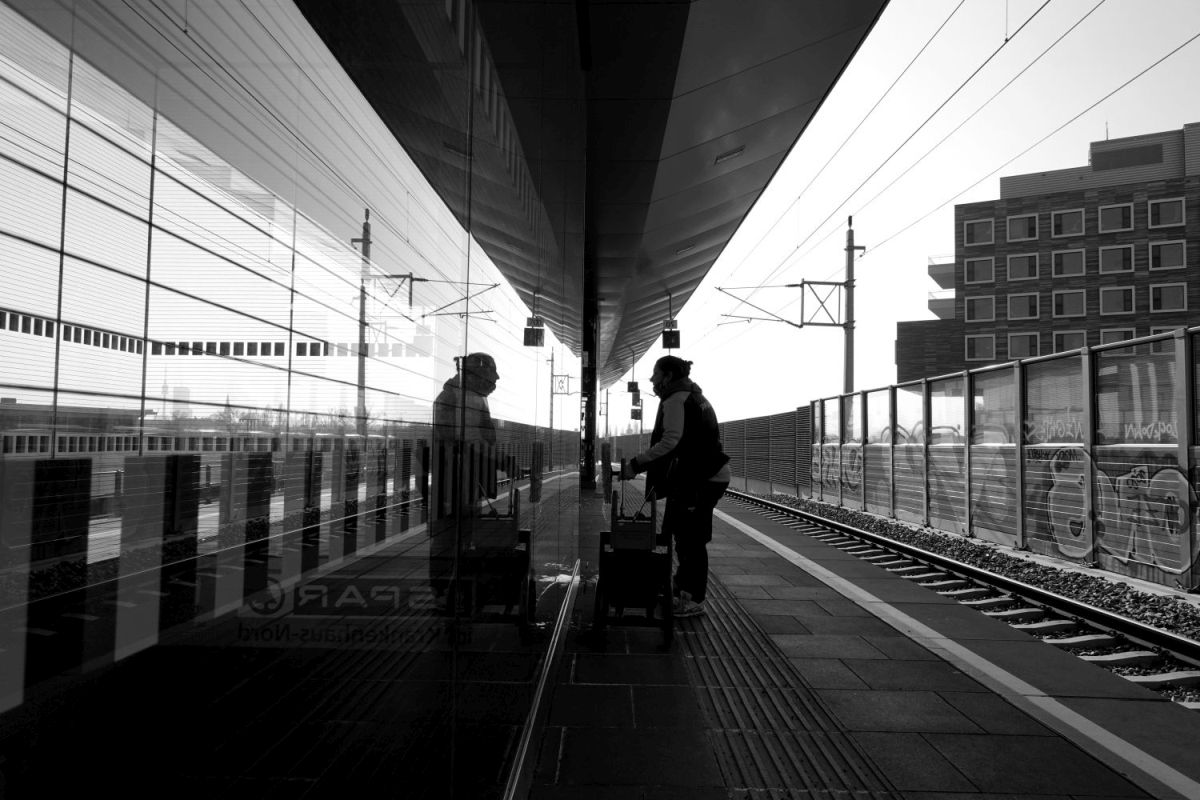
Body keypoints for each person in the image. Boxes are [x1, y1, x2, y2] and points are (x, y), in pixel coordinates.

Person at [624, 355, 730, 618]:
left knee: (691, 541)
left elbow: (670, 441)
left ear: (668, 376)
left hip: (702, 479)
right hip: (696, 476)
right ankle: (680, 588)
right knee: (678, 533)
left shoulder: (676, 399)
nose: (652, 379)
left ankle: (694, 599)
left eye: (655, 373)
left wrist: (636, 464)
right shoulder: (693, 395)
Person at [428, 352, 500, 610]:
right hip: (452, 480)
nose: (493, 383)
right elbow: (457, 437)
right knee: (448, 537)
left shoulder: (472, 398)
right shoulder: (452, 397)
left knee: (463, 537)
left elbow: (486, 436)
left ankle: (454, 588)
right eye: (489, 378)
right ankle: (443, 590)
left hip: (466, 480)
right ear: (475, 375)